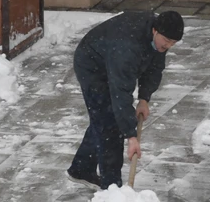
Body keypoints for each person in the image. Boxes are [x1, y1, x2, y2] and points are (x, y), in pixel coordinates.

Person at [67, 10, 184, 190]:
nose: (168, 46)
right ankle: (112, 189)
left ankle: (81, 168)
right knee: (109, 126)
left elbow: (154, 68)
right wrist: (131, 136)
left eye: (173, 43)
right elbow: (121, 93)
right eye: (166, 41)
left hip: (111, 60)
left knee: (103, 119)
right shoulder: (128, 48)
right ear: (154, 31)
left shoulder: (158, 40)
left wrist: (144, 99)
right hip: (91, 65)